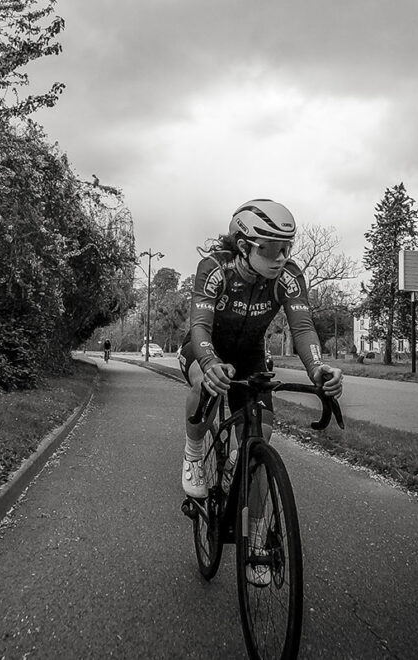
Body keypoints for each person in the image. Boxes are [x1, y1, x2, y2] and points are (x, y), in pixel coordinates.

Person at [176, 199, 344, 585]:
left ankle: (255, 543)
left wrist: (319, 369)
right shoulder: (214, 269)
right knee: (205, 383)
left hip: (251, 354)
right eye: (270, 249)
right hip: (205, 346)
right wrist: (208, 362)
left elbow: (302, 330)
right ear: (243, 244)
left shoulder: (288, 277)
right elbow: (200, 325)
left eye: (287, 247)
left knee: (261, 436)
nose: (281, 257)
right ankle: (194, 451)